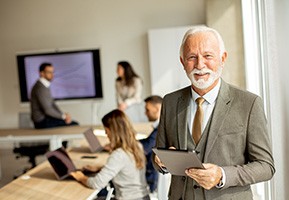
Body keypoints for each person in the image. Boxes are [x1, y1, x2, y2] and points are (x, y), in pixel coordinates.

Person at [153, 26, 275, 199]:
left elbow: (266, 166)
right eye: (192, 57)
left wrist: (222, 175)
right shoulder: (170, 102)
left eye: (207, 56)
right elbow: (159, 156)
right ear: (182, 62)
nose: (200, 65)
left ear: (222, 58)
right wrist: (161, 162)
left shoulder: (249, 103)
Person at [71, 109, 150, 200]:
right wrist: (101, 168)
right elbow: (126, 168)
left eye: (106, 130)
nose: (105, 133)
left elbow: (96, 183)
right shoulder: (137, 146)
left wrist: (81, 177)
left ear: (113, 131)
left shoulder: (119, 155)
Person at [30, 63, 79, 129]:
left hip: (47, 119)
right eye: (49, 72)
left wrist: (63, 115)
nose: (52, 75)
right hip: (42, 121)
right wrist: (64, 116)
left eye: (52, 72)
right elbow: (48, 110)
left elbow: (52, 104)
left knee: (70, 122)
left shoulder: (45, 85)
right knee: (75, 124)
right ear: (41, 73)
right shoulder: (40, 87)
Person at [140, 95, 162, 193]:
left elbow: (146, 147)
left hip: (149, 181)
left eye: (147, 110)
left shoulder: (161, 127)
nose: (145, 113)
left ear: (157, 108)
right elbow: (148, 141)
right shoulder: (159, 126)